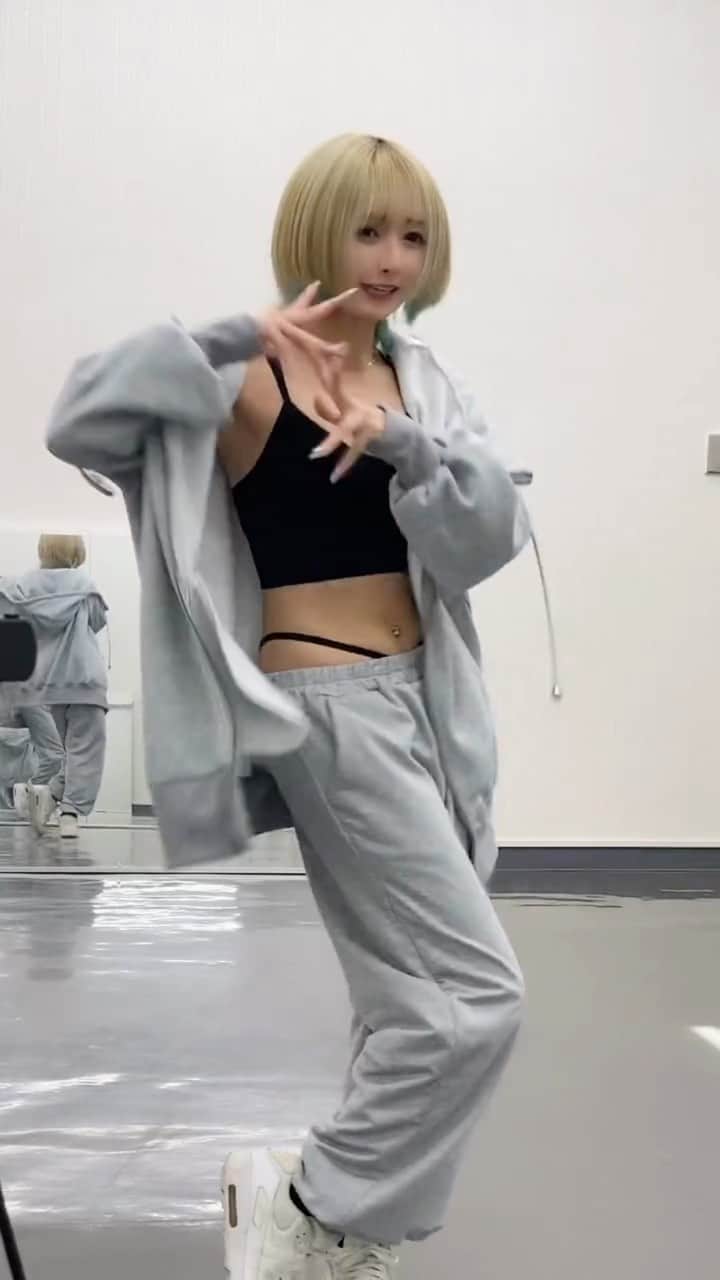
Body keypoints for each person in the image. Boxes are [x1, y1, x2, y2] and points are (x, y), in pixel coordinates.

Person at [45, 132, 536, 1280]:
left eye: (412, 234)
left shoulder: (422, 380)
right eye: (368, 230)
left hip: (431, 698)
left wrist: (404, 444)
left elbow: (485, 541)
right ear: (316, 232)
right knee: (476, 995)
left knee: (405, 993)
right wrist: (227, 335)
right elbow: (79, 422)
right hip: (328, 702)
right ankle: (313, 1205)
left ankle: (345, 1236)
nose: (392, 257)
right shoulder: (242, 377)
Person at [0, 534, 109, 839]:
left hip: (47, 682)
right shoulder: (84, 584)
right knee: (86, 749)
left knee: (67, 753)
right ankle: (71, 813)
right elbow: (97, 621)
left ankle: (47, 796)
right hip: (84, 677)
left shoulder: (22, 587)